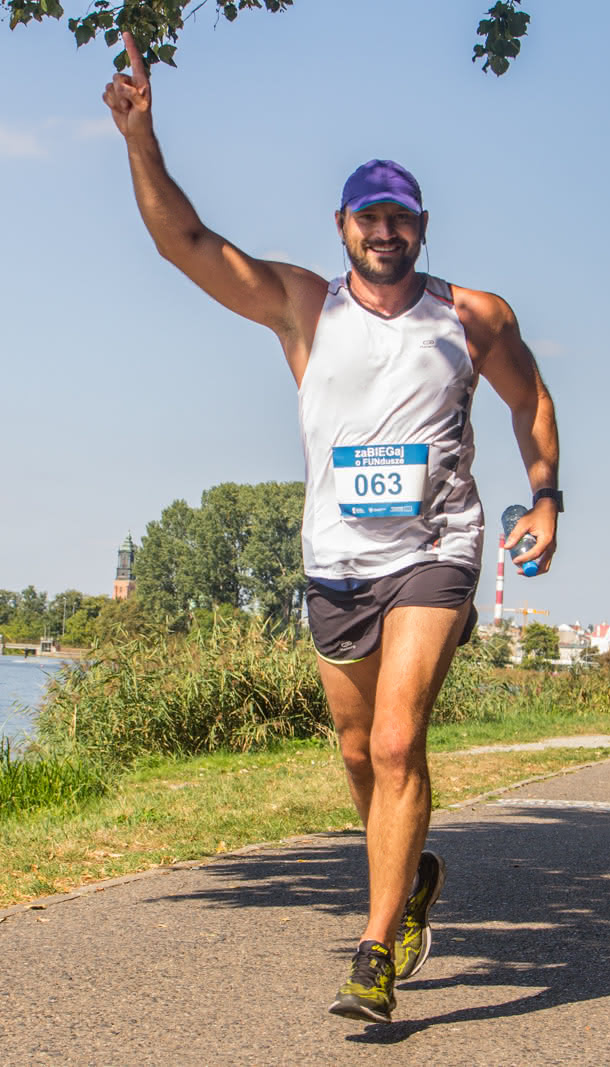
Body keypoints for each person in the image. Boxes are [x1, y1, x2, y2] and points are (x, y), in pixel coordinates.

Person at [102, 35, 561, 1025]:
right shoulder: (304, 308)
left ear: (421, 226)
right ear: (343, 225)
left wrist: (545, 493)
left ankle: (374, 946)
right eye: (368, 215)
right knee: (358, 752)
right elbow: (187, 244)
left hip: (436, 552)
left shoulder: (470, 316)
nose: (384, 230)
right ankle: (409, 875)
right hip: (337, 563)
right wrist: (143, 142)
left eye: (400, 215)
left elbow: (530, 399)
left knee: (399, 737)